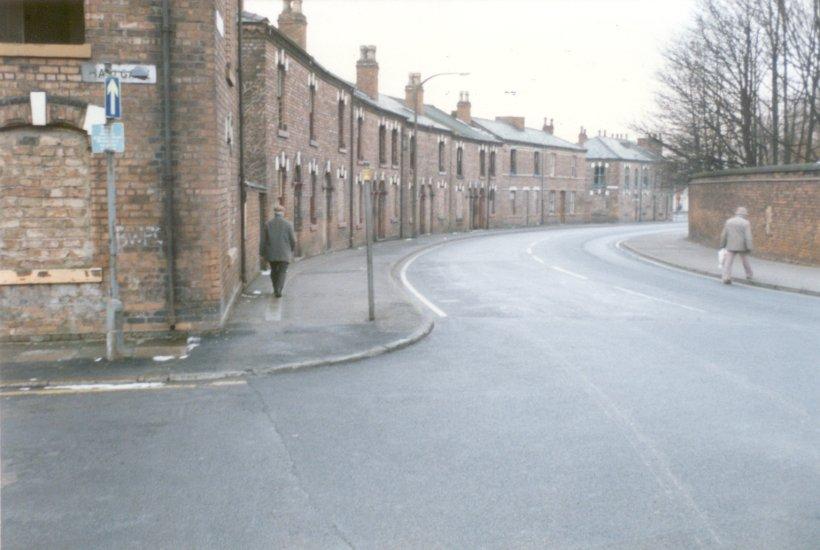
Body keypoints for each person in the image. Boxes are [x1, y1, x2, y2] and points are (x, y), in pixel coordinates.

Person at [260, 204, 296, 297]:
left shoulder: (268, 224)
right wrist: (291, 249)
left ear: (274, 213)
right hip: (284, 252)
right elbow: (293, 240)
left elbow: (263, 240)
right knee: (282, 271)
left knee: (274, 271)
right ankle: (279, 289)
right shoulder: (288, 224)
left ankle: (275, 287)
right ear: (283, 213)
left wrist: (262, 252)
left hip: (272, 252)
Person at [720, 206, 754, 284]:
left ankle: (726, 277)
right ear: (744, 215)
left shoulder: (729, 221)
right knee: (745, 261)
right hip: (742, 246)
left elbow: (724, 235)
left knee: (728, 262)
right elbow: (748, 237)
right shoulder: (746, 223)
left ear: (736, 214)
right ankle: (749, 274)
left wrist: (722, 244)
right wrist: (749, 247)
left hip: (730, 245)